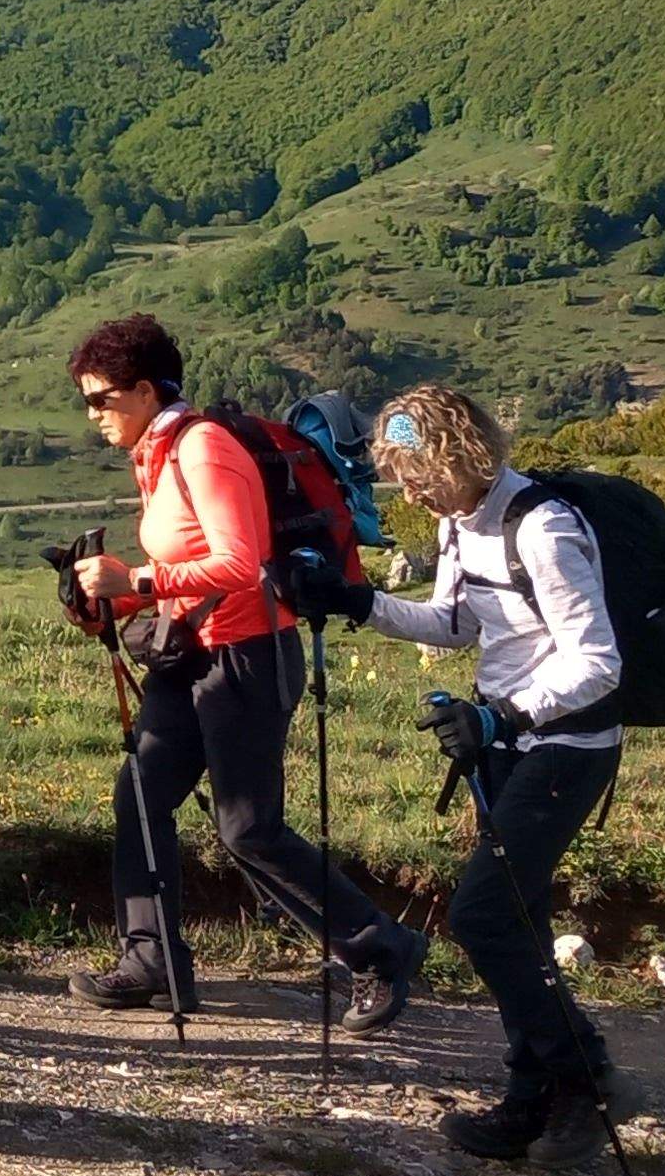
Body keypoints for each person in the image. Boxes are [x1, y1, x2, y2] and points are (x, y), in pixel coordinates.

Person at [294, 384, 630, 1173]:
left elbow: (598, 662)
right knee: (517, 919)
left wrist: (502, 716)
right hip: (510, 743)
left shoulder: (542, 527)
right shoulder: (458, 525)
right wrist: (357, 601)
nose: (408, 491)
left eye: (417, 471)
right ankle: (529, 1100)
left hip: (568, 747)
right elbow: (454, 626)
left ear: (459, 454)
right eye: (398, 474)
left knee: (482, 917)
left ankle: (582, 1077)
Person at [60, 312, 424, 1026]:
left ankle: (382, 949)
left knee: (248, 829)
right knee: (140, 793)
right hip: (191, 651)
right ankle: (149, 957)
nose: (92, 414)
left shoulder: (202, 449)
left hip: (246, 658)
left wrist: (133, 580)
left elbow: (239, 561)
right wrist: (109, 596)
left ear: (142, 391)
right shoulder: (158, 453)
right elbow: (190, 564)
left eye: (100, 398)